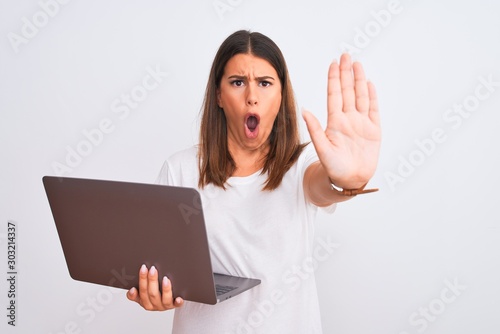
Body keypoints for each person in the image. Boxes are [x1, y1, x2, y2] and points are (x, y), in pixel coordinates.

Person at [126, 30, 381, 333]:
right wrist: (153, 291)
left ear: (281, 95)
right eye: (237, 82)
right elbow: (155, 267)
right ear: (219, 95)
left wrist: (346, 180)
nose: (252, 96)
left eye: (264, 83)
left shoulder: (302, 166)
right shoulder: (180, 170)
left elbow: (322, 187)